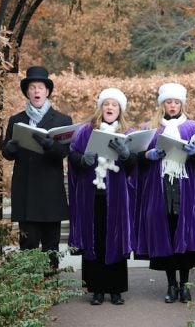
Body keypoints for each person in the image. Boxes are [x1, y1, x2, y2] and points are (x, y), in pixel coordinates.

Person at [135, 83, 195, 303]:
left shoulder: (192, 127)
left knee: (185, 237)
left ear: (182, 104)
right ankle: (171, 285)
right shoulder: (151, 128)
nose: (172, 105)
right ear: (162, 104)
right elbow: (137, 159)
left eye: (176, 102)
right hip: (160, 189)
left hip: (185, 189)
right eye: (168, 102)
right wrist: (148, 155)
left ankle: (185, 285)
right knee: (166, 236)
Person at [67, 88, 137, 306]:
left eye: (114, 104)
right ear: (100, 108)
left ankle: (116, 289)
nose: (109, 108)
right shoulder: (86, 131)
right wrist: (81, 160)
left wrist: (126, 155)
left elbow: (135, 164)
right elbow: (73, 154)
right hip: (92, 194)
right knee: (94, 239)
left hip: (117, 196)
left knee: (115, 239)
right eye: (106, 104)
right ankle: (96, 289)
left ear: (120, 110)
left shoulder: (128, 132)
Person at [0, 66, 73, 275]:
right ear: (27, 92)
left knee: (51, 246)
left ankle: (50, 287)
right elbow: (7, 151)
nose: (36, 91)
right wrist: (9, 149)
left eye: (40, 87)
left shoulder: (62, 120)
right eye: (32, 88)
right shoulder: (17, 120)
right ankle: (29, 289)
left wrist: (51, 145)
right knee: (28, 245)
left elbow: (65, 151)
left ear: (47, 91)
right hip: (26, 192)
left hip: (50, 193)